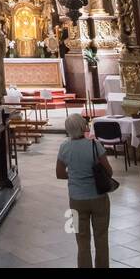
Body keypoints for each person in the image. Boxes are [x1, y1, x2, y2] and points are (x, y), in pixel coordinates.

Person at [56, 114, 110, 268]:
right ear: (83, 126)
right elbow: (109, 171)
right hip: (98, 196)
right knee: (101, 237)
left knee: (82, 240)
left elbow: (59, 173)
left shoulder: (64, 147)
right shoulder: (94, 144)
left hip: (76, 200)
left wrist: (75, 176)